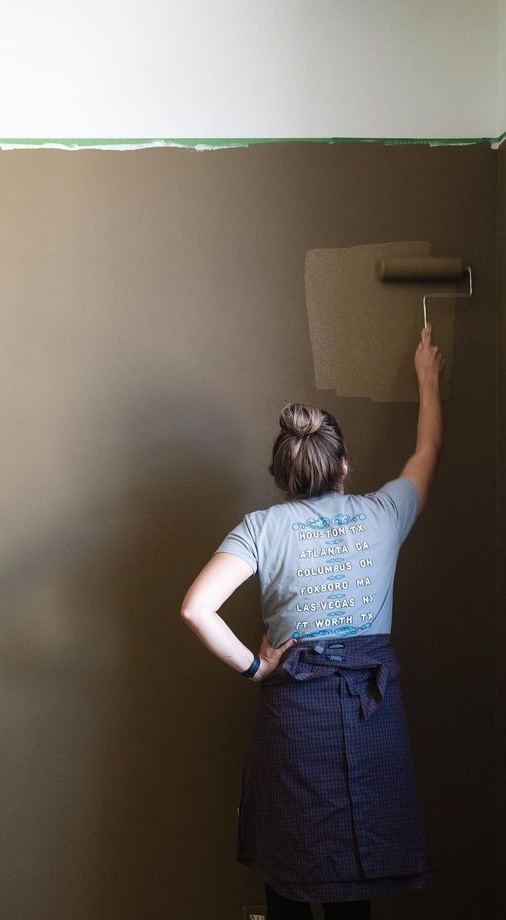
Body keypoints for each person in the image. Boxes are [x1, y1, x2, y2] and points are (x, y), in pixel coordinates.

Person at [181, 324, 443, 919]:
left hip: (294, 719)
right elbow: (426, 452)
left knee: (289, 883)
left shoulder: (260, 528)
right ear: (344, 465)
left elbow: (197, 608)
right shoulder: (384, 513)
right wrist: (427, 378)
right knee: (356, 885)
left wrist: (255, 666)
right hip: (371, 714)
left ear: (284, 477)